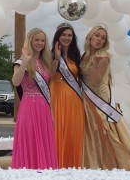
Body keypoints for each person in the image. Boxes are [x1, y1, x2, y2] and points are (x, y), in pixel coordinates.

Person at [80, 25, 130, 171]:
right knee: (92, 132)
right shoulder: (84, 55)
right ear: (90, 36)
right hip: (87, 98)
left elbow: (95, 81)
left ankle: (117, 163)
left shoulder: (103, 57)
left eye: (102, 38)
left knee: (107, 130)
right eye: (97, 35)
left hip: (101, 98)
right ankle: (94, 162)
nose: (99, 39)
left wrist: (96, 62)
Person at [11, 28, 58, 169]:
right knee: (29, 140)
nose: (40, 43)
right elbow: (16, 82)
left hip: (44, 107)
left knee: (44, 141)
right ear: (30, 41)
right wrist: (25, 61)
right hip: (28, 107)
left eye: (42, 40)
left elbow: (50, 81)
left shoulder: (45, 62)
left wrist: (57, 57)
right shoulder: (21, 62)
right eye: (36, 39)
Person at [50, 22, 85, 168]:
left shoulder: (76, 56)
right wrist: (57, 58)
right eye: (63, 34)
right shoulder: (50, 55)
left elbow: (82, 79)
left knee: (73, 133)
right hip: (57, 97)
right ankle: (56, 165)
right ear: (58, 37)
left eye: (69, 35)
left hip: (74, 100)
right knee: (58, 131)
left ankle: (73, 166)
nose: (66, 37)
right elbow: (49, 76)